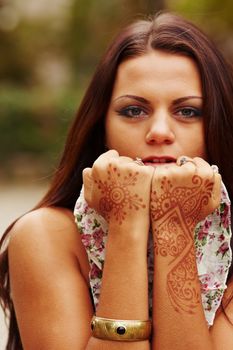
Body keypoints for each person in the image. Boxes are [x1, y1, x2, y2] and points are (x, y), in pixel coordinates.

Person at [0, 11, 233, 350]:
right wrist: (126, 225)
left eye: (188, 111)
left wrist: (174, 225)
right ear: (102, 126)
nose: (159, 132)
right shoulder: (47, 236)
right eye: (134, 110)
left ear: (218, 127)